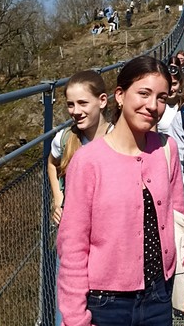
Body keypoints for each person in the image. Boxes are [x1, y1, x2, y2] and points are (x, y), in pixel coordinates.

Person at [57, 56, 184, 326]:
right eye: (143, 93)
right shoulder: (88, 161)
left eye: (161, 98)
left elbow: (179, 221)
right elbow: (73, 247)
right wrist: (75, 318)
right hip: (106, 304)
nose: (152, 105)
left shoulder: (166, 149)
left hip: (158, 297)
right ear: (119, 95)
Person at [47, 70, 113, 326]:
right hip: (73, 238)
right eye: (70, 105)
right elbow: (52, 163)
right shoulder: (65, 139)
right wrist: (57, 197)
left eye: (83, 103)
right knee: (70, 307)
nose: (75, 111)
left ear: (103, 101)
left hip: (107, 240)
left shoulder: (119, 139)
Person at [157, 63, 184, 134]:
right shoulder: (156, 106)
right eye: (168, 84)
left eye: (174, 84)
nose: (171, 89)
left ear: (180, 84)